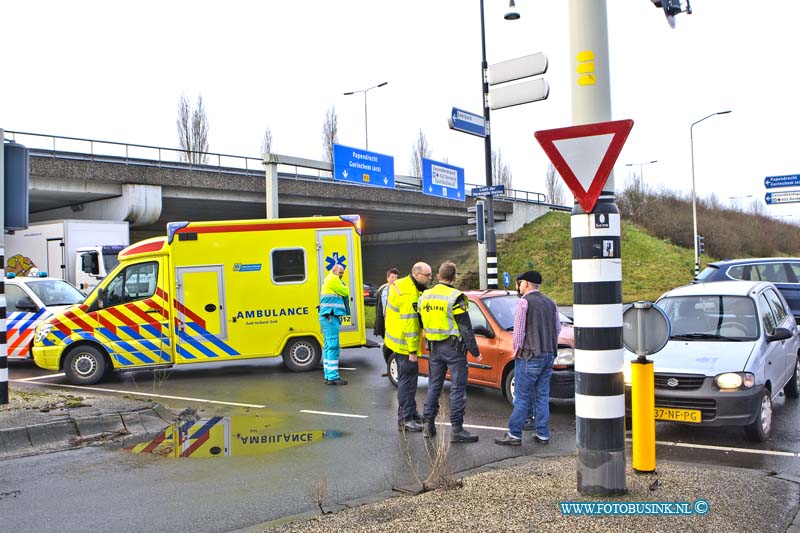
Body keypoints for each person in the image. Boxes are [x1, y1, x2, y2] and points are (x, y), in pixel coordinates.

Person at [419, 261, 482, 443]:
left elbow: (422, 320)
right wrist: (475, 351)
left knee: (434, 386)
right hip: (454, 349)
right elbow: (465, 327)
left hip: (434, 349)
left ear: (438, 276)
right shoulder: (456, 297)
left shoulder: (425, 296)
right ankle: (457, 430)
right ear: (454, 278)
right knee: (457, 388)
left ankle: (428, 426)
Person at [495, 270, 560, 446]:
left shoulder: (524, 302)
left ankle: (514, 434)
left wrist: (517, 351)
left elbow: (519, 332)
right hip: (548, 354)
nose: (518, 286)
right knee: (542, 396)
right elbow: (557, 328)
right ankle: (542, 434)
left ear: (526, 284)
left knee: (522, 397)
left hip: (529, 355)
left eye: (520, 283)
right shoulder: (550, 303)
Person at [385, 262, 432, 432]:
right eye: (427, 275)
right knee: (407, 381)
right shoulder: (409, 293)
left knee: (410, 380)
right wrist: (412, 350)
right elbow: (411, 324)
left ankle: (411, 413)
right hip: (404, 344)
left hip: (397, 340)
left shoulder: (406, 284)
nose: (430, 278)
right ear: (417, 274)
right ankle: (405, 419)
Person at [318, 264, 350, 386]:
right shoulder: (333, 279)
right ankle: (333, 377)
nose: (342, 275)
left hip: (328, 316)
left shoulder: (330, 279)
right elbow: (345, 291)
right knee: (333, 346)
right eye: (340, 272)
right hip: (330, 316)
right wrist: (343, 284)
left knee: (328, 346)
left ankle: (328, 375)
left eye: (343, 272)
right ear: (334, 271)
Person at [373, 268, 400, 376]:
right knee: (387, 347)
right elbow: (378, 307)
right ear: (387, 278)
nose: (394, 280)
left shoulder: (399, 290)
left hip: (395, 324)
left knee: (391, 347)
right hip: (385, 323)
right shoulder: (382, 290)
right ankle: (390, 368)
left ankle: (394, 369)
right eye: (392, 277)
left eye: (396, 278)